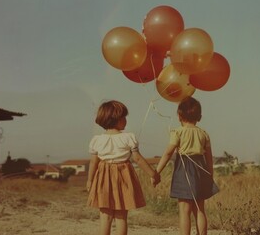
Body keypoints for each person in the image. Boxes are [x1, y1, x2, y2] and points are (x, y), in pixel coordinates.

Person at [86, 100, 160, 235]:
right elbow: (137, 159)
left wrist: (90, 180)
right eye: (124, 117)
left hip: (103, 178)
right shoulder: (128, 137)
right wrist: (153, 174)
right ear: (116, 119)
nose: (126, 120)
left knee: (105, 217)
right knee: (121, 216)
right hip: (123, 177)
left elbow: (94, 162)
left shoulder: (97, 140)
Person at [155, 96, 219, 235]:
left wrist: (157, 172)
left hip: (183, 171)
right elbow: (209, 158)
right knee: (200, 209)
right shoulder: (204, 134)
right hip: (200, 171)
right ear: (199, 116)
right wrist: (210, 176)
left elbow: (167, 154)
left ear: (179, 116)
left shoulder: (178, 132)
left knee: (184, 210)